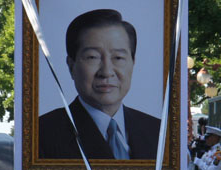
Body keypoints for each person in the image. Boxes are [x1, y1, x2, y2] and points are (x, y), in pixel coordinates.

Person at [38, 9, 160, 160]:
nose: (107, 71)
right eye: (92, 57)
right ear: (71, 66)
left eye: (118, 57)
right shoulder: (39, 135)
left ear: (133, 63)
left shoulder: (159, 132)